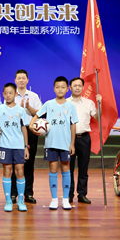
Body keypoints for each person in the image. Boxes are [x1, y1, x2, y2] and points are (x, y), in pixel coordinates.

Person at [30, 76, 78, 210]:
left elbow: (73, 125)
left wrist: (72, 144)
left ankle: (65, 199)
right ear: (54, 89)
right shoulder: (48, 104)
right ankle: (54, 199)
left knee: (66, 170)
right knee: (53, 170)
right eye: (57, 87)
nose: (60, 89)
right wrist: (31, 126)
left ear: (67, 89)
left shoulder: (70, 106)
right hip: (51, 143)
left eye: (63, 87)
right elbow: (36, 116)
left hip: (65, 144)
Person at [0, 83, 30, 212]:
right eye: (6, 93)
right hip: (4, 146)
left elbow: (24, 128)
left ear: (15, 94)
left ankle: (20, 201)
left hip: (19, 146)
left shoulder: (20, 110)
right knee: (7, 172)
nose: (8, 95)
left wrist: (26, 146)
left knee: (20, 172)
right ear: (3, 94)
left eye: (11, 93)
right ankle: (8, 200)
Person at [66, 77, 102, 205]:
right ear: (70, 88)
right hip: (68, 139)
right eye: (74, 85)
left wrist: (99, 104)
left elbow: (97, 117)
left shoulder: (89, 103)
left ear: (83, 87)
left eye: (79, 86)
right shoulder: (65, 102)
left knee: (83, 168)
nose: (77, 88)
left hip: (84, 138)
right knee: (68, 169)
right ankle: (69, 195)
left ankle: (82, 194)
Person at [11, 69, 42, 204]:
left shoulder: (33, 96)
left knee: (29, 163)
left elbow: (40, 113)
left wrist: (28, 107)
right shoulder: (11, 95)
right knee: (14, 164)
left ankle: (28, 193)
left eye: (24, 78)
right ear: (15, 80)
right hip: (14, 132)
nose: (21, 80)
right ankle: (13, 193)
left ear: (27, 80)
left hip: (30, 131)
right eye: (19, 78)